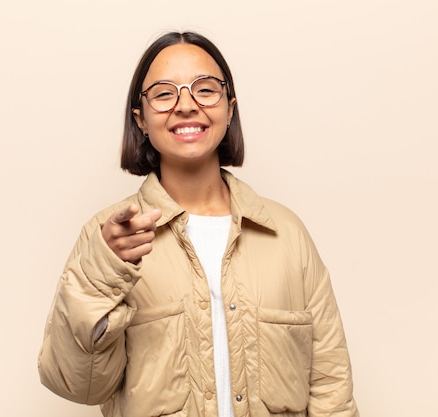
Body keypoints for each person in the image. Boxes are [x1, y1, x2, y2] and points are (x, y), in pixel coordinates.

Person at [38, 31, 359, 417]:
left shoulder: (286, 233)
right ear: (140, 119)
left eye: (205, 90)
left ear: (229, 108)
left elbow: (330, 385)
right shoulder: (107, 240)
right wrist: (104, 271)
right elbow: (78, 385)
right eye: (163, 93)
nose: (186, 105)